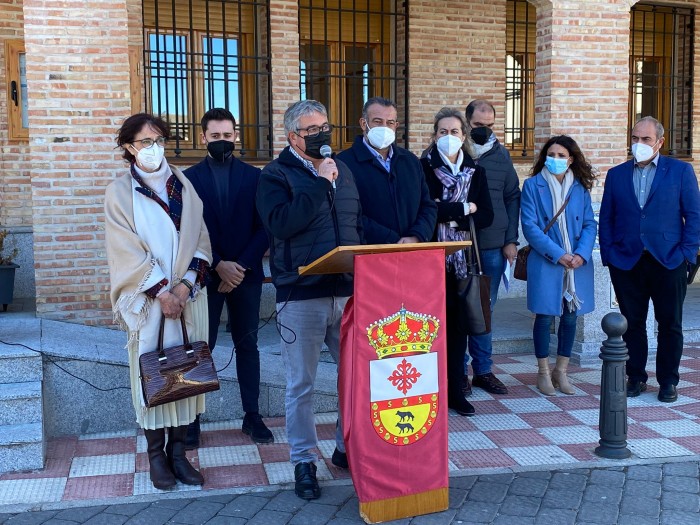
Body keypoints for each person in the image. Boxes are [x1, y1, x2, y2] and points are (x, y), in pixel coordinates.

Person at [256, 100, 363, 500]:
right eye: (312, 129)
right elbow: (282, 224)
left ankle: (344, 447)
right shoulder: (275, 175)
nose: (322, 134)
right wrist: (319, 182)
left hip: (347, 291)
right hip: (301, 293)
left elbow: (355, 222)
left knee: (352, 379)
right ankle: (303, 460)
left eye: (325, 126)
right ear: (292, 137)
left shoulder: (343, 169)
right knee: (301, 384)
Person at [105, 113, 212, 490]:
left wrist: (183, 288)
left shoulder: (183, 185)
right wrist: (162, 291)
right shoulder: (120, 193)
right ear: (129, 148)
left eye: (158, 140)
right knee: (152, 374)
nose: (153, 148)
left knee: (185, 372)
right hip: (150, 304)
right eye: (144, 142)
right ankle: (155, 456)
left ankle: (179, 454)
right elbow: (124, 251)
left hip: (187, 299)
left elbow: (201, 239)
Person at [184, 108, 272, 448]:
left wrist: (239, 267)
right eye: (215, 136)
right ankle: (192, 421)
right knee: (200, 347)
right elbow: (189, 231)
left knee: (247, 345)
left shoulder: (255, 176)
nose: (222, 141)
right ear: (203, 137)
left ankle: (252, 416)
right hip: (205, 276)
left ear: (236, 136)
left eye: (228, 135)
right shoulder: (189, 179)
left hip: (246, 276)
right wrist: (218, 264)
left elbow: (265, 227)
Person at [599, 116, 700, 403]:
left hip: (668, 260)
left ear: (660, 142)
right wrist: (609, 254)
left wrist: (687, 254)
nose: (638, 144)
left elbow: (693, 215)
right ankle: (636, 377)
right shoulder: (617, 174)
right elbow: (607, 218)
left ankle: (668, 381)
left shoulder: (680, 171)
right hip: (627, 261)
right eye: (634, 138)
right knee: (632, 323)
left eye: (645, 139)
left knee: (670, 323)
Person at [420, 107, 493, 417]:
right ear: (434, 136)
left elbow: (487, 214)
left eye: (454, 132)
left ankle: (455, 390)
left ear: (464, 137)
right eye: (442, 132)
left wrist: (447, 207)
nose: (448, 138)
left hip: (464, 261)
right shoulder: (422, 168)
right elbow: (425, 211)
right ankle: (428, 388)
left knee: (459, 329)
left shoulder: (476, 171)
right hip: (431, 258)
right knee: (430, 328)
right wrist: (465, 208)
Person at [520, 135, 597, 395]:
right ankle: (542, 371)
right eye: (551, 155)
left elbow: (589, 223)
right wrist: (559, 254)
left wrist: (581, 254)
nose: (555, 160)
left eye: (561, 155)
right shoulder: (532, 185)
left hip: (577, 263)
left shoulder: (580, 189)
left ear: (571, 159)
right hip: (547, 261)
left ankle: (561, 371)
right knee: (543, 317)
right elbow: (530, 227)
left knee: (570, 316)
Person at [461, 100, 521, 397]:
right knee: (459, 311)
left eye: (489, 127)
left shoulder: (501, 155)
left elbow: (512, 197)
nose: (483, 131)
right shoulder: (451, 152)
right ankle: (458, 373)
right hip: (456, 247)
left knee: (484, 312)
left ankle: (483, 370)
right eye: (477, 126)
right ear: (466, 122)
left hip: (493, 247)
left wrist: (511, 239)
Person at [337, 97, 436, 244]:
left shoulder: (410, 162)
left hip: (412, 250)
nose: (384, 127)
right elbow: (348, 213)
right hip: (369, 253)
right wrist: (392, 240)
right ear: (363, 124)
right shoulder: (344, 163)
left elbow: (427, 205)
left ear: (396, 125)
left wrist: (417, 236)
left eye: (390, 123)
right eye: (377, 122)